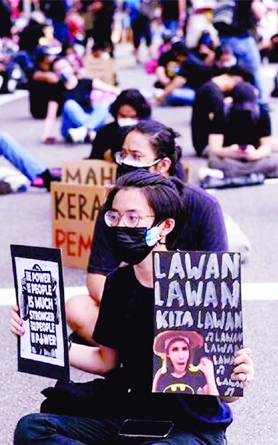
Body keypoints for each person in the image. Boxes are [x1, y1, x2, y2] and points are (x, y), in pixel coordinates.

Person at [0, 170, 254, 445]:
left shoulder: (200, 282)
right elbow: (106, 361)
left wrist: (239, 373)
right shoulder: (118, 284)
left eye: (134, 218)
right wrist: (43, 337)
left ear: (164, 226)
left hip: (192, 433)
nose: (122, 226)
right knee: (31, 430)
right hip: (130, 420)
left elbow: (225, 392)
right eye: (115, 216)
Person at [66, 120, 228, 345]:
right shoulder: (116, 204)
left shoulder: (204, 205)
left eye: (135, 156)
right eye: (122, 154)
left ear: (162, 165)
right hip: (131, 306)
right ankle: (123, 350)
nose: (125, 162)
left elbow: (219, 282)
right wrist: (126, 310)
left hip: (185, 313)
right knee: (76, 307)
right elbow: (97, 275)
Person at [206, 82, 278, 181]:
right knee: (213, 161)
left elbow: (266, 146)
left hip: (253, 156)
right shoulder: (221, 112)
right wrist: (229, 152)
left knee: (274, 160)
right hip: (230, 157)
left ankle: (234, 173)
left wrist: (254, 155)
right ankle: (252, 172)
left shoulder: (262, 113)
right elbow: (215, 148)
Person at [52, 57, 120, 143]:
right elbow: (51, 115)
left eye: (64, 67)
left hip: (89, 118)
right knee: (69, 104)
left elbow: (112, 90)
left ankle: (85, 130)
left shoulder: (86, 82)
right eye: (58, 70)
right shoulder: (56, 89)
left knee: (104, 104)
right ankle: (88, 131)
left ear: (71, 67)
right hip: (70, 128)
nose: (62, 71)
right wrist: (46, 135)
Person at [192, 65, 253, 156]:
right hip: (208, 143)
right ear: (237, 80)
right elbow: (218, 122)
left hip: (202, 141)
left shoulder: (209, 88)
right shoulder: (213, 94)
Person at [214, 0, 268, 101]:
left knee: (231, 71)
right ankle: (261, 102)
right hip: (241, 36)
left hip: (224, 37)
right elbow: (259, 12)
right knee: (254, 71)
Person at [88, 89, 151, 161]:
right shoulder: (104, 133)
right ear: (116, 113)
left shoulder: (151, 134)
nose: (127, 120)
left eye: (132, 117)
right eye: (123, 116)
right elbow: (93, 162)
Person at [152, 330, 219, 395]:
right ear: (168, 354)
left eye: (184, 349)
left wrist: (209, 374)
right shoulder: (160, 375)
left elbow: (214, 400)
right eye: (175, 350)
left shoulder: (197, 375)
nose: (181, 356)